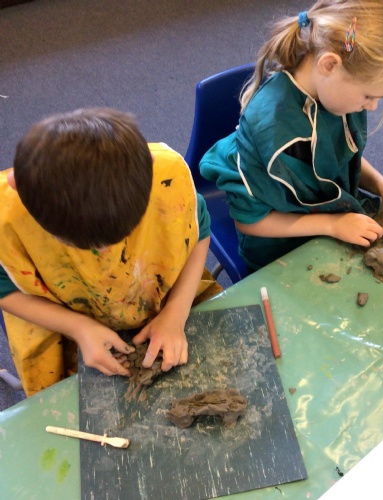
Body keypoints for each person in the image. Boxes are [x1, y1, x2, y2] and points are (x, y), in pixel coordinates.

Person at [0, 108, 222, 396]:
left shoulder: (169, 181)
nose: (103, 253)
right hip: (60, 317)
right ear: (15, 184)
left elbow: (199, 233)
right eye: (76, 245)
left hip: (158, 294)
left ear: (151, 168)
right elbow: (5, 291)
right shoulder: (6, 219)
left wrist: (175, 313)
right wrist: (78, 327)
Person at [200, 0, 383, 272]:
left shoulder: (337, 93)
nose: (372, 106)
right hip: (279, 247)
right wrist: (332, 225)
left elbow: (338, 154)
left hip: (330, 214)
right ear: (330, 65)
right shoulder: (275, 135)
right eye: (369, 96)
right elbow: (250, 221)